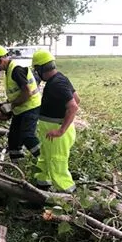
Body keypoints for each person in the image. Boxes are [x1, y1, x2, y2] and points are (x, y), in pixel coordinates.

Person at [31, 50, 80, 193]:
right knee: (45, 159)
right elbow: (77, 98)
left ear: (41, 68)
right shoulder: (58, 79)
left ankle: (69, 198)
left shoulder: (57, 83)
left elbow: (73, 106)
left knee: (57, 164)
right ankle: (42, 187)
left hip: (56, 133)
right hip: (49, 130)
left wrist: (61, 130)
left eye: (36, 70)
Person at [0, 45, 41, 162]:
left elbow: (27, 93)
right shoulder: (9, 70)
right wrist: (3, 105)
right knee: (13, 139)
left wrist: (10, 106)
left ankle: (44, 159)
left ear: (0, 60)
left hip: (31, 107)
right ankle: (17, 165)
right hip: (20, 108)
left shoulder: (16, 69)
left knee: (27, 136)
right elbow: (15, 93)